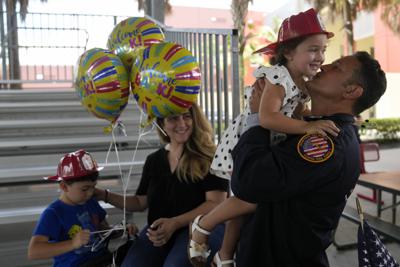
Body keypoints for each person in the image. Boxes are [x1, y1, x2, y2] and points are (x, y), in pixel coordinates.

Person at [189, 8, 340, 267]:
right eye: (313, 49)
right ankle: (204, 225)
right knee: (251, 199)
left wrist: (308, 120)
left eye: (323, 50)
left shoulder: (302, 82)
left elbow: (295, 113)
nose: (321, 57)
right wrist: (306, 129)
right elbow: (268, 117)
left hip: (268, 143)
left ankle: (225, 254)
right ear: (289, 52)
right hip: (248, 140)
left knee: (243, 200)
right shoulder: (277, 77)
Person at [230, 51, 386, 266]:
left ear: (351, 91)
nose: (324, 65)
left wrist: (257, 121)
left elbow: (248, 182)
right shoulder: (318, 127)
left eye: (336, 67)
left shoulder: (325, 142)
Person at [95, 103, 229, 267]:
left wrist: (175, 223)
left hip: (202, 229)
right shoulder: (154, 160)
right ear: (162, 123)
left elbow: (216, 204)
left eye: (187, 116)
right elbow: (140, 202)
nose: (181, 124)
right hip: (159, 232)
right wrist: (104, 195)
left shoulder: (209, 156)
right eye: (173, 118)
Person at [28, 149, 134, 267]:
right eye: (84, 189)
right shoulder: (54, 213)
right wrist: (73, 243)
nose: (90, 193)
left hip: (102, 261)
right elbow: (34, 252)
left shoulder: (90, 202)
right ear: (64, 186)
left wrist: (120, 230)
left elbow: (102, 231)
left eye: (93, 187)